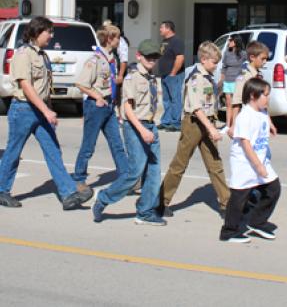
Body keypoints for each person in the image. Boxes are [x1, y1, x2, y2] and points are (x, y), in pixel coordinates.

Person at [0, 17, 93, 210]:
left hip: (40, 110)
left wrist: (48, 108)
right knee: (13, 152)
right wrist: (46, 111)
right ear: (36, 32)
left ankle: (68, 195)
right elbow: (26, 86)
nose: (51, 36)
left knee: (53, 151)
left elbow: (44, 87)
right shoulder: (23, 54)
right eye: (48, 32)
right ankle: (2, 190)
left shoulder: (42, 55)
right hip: (24, 109)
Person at [92, 40, 166, 226]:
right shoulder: (132, 77)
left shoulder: (151, 77)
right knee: (135, 172)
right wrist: (142, 131)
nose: (152, 60)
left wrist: (151, 128)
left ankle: (145, 211)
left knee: (153, 172)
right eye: (148, 56)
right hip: (135, 127)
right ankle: (103, 198)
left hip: (149, 126)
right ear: (139, 56)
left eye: (155, 57)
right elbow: (127, 109)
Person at [159, 41, 230, 218]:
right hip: (194, 124)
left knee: (215, 164)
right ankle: (160, 202)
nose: (216, 65)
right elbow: (197, 108)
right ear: (204, 59)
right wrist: (211, 129)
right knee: (179, 164)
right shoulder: (196, 78)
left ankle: (227, 204)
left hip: (207, 122)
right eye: (214, 62)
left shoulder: (208, 76)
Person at [220, 78, 281, 243]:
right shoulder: (245, 116)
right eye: (266, 95)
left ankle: (257, 222)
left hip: (260, 159)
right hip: (245, 163)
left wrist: (271, 125)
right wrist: (258, 166)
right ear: (254, 96)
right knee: (239, 198)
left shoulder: (261, 111)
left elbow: (264, 117)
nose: (268, 98)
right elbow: (245, 144)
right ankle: (229, 231)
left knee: (274, 190)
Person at [73, 24, 128, 192]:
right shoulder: (95, 60)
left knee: (117, 143)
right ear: (109, 38)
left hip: (109, 106)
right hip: (96, 106)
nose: (119, 40)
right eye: (117, 37)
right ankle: (79, 179)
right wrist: (97, 96)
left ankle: (127, 177)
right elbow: (81, 84)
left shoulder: (111, 59)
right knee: (89, 145)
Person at [230, 41, 276, 135]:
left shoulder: (259, 75)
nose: (265, 62)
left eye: (266, 59)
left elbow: (264, 102)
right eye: (262, 59)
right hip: (247, 118)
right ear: (252, 57)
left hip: (258, 117)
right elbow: (237, 101)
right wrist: (234, 124)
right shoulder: (244, 75)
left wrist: (269, 122)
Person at [158, 21, 185, 132]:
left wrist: (173, 72)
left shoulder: (176, 41)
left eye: (161, 27)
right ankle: (166, 121)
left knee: (175, 99)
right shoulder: (165, 41)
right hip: (164, 75)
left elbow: (180, 58)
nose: (160, 29)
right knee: (166, 99)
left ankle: (176, 123)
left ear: (168, 28)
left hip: (174, 75)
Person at [220, 35, 246, 129]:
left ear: (235, 42)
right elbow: (224, 67)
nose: (229, 42)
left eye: (230, 40)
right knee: (228, 104)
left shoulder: (243, 54)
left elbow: (247, 65)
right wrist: (221, 80)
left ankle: (234, 125)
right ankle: (228, 125)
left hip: (238, 81)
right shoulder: (227, 52)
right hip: (227, 80)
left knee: (236, 103)